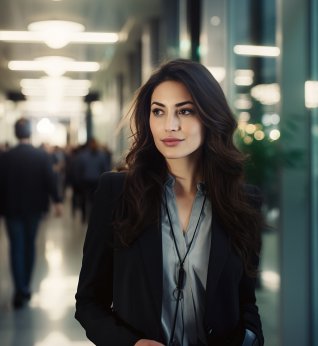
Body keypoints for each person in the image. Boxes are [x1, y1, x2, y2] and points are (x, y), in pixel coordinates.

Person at [75, 59, 264, 346]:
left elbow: (245, 302)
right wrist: (131, 344)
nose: (169, 126)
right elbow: (89, 302)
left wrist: (249, 338)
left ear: (210, 117)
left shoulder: (243, 201)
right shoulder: (117, 193)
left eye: (185, 111)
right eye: (158, 112)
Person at [0, 117, 63, 308]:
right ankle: (26, 285)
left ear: (15, 132)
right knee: (30, 246)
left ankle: (20, 289)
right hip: (34, 208)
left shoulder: (5, 156)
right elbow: (50, 179)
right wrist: (57, 201)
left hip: (11, 209)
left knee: (16, 248)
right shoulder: (41, 156)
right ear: (30, 132)